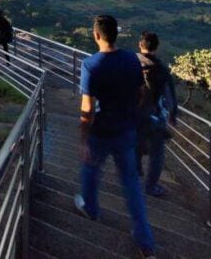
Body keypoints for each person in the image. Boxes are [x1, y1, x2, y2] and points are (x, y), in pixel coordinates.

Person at [74, 15, 156, 258]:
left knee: (90, 169)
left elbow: (87, 109)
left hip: (100, 131)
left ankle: (90, 207)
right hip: (126, 131)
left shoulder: (91, 65)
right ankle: (146, 242)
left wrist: (82, 138)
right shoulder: (132, 59)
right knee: (131, 184)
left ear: (96, 35)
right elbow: (141, 92)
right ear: (115, 35)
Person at [136, 31, 178, 198]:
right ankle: (151, 186)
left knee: (135, 147)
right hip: (155, 117)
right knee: (157, 154)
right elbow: (170, 96)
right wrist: (173, 115)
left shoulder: (131, 62)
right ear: (157, 47)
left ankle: (134, 177)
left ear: (140, 45)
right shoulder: (161, 69)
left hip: (133, 115)